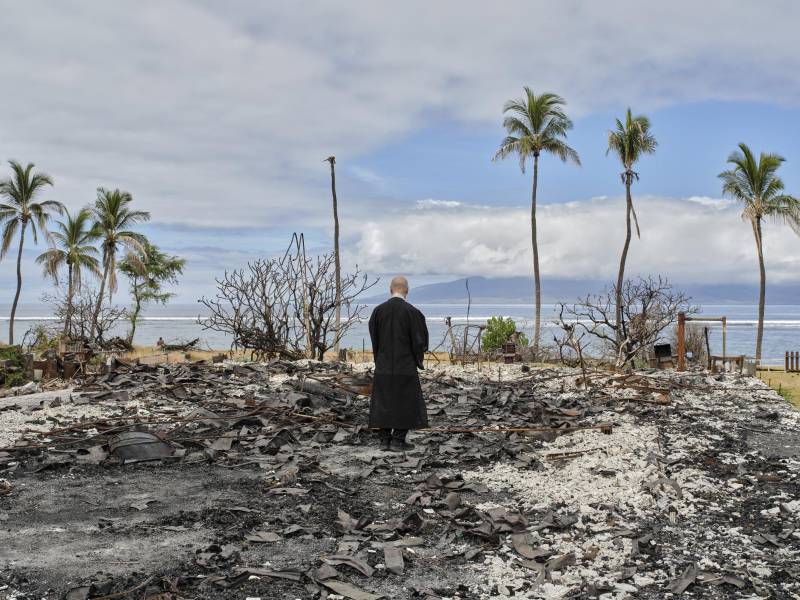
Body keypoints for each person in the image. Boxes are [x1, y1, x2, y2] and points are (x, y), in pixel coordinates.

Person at [368, 275, 429, 452]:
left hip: (384, 365)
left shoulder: (378, 311)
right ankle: (398, 441)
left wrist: (379, 359)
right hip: (405, 366)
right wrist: (418, 360)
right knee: (406, 403)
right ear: (407, 291)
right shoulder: (413, 312)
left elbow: (375, 339)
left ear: (390, 289)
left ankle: (384, 441)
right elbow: (420, 342)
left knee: (383, 403)